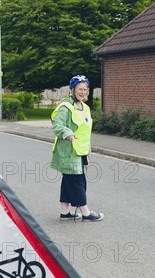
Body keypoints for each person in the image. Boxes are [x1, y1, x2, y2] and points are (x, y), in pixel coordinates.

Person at [50, 75, 103, 222]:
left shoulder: (85, 108)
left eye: (85, 89)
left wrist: (88, 151)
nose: (83, 92)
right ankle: (86, 213)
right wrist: (68, 134)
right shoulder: (65, 107)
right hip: (68, 150)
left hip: (80, 151)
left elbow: (85, 132)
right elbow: (57, 125)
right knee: (77, 181)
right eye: (80, 89)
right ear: (73, 90)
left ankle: (65, 212)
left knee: (68, 180)